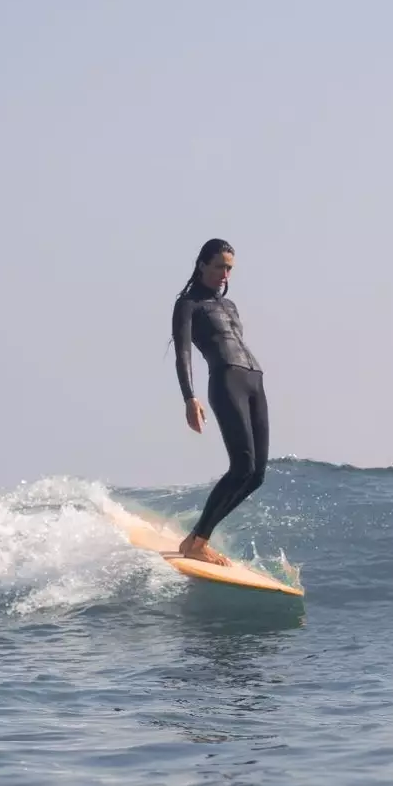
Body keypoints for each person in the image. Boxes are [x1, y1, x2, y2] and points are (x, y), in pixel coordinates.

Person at [170, 238, 267, 565]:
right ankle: (198, 541)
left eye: (229, 268)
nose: (224, 274)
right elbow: (183, 353)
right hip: (226, 381)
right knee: (241, 466)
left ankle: (197, 539)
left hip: (254, 379)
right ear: (201, 265)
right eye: (218, 266)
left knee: (255, 476)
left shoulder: (230, 306)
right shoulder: (188, 304)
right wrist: (189, 397)